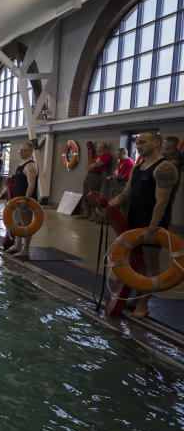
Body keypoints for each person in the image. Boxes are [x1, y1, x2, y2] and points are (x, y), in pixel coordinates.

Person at [104, 132, 180, 318]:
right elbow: (124, 195)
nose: (138, 145)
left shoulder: (164, 168)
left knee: (150, 264)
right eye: (137, 142)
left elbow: (162, 202)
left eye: (142, 142)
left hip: (153, 223)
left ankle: (143, 305)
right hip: (134, 219)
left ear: (156, 143)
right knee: (137, 263)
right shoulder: (138, 168)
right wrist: (106, 207)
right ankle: (137, 299)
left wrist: (153, 228)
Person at [6, 141, 39, 259]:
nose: (21, 152)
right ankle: (18, 246)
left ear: (31, 151)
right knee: (17, 223)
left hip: (25, 201)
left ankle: (25, 250)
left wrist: (26, 200)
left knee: (26, 226)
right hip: (17, 199)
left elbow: (31, 184)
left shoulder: (31, 165)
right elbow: (21, 178)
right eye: (20, 150)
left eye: (24, 150)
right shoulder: (22, 163)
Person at [77, 141, 110, 218]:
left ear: (103, 148)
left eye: (98, 146)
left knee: (93, 195)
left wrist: (92, 165)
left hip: (97, 176)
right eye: (96, 147)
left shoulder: (106, 156)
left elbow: (98, 164)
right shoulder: (96, 157)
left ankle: (94, 214)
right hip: (89, 174)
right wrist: (92, 165)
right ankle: (87, 212)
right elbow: (88, 165)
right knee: (86, 193)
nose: (96, 148)